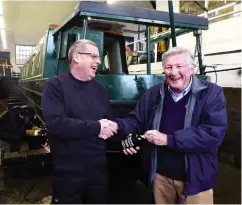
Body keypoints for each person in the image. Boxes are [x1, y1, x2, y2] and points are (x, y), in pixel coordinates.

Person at [113, 46, 228, 204]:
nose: (173, 72)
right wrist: (115, 126)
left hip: (196, 180)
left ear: (192, 69)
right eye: (168, 67)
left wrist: (168, 139)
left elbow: (212, 134)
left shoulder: (211, 93)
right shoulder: (154, 93)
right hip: (161, 177)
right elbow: (136, 121)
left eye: (179, 66)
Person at [41, 39, 118, 204]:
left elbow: (109, 123)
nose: (98, 61)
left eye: (99, 57)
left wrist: (125, 138)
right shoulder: (55, 86)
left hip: (98, 171)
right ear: (76, 57)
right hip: (68, 173)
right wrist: (97, 127)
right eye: (93, 56)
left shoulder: (100, 89)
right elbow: (57, 124)